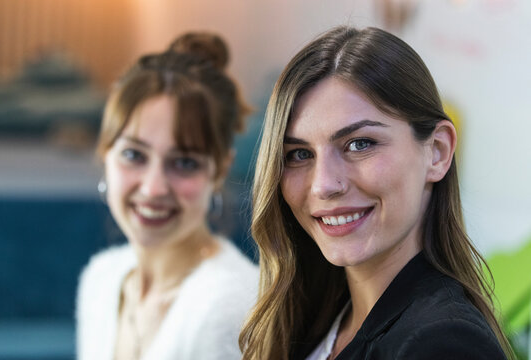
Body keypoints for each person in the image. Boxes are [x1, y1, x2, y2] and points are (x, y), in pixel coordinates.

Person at [239, 26, 513, 360]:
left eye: (359, 144)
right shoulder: (322, 315)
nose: (323, 184)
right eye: (299, 154)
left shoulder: (443, 344)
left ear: (437, 152)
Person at [76, 32, 258, 360]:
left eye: (185, 162)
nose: (153, 188)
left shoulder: (231, 309)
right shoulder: (100, 280)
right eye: (134, 155)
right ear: (105, 152)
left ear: (219, 170)